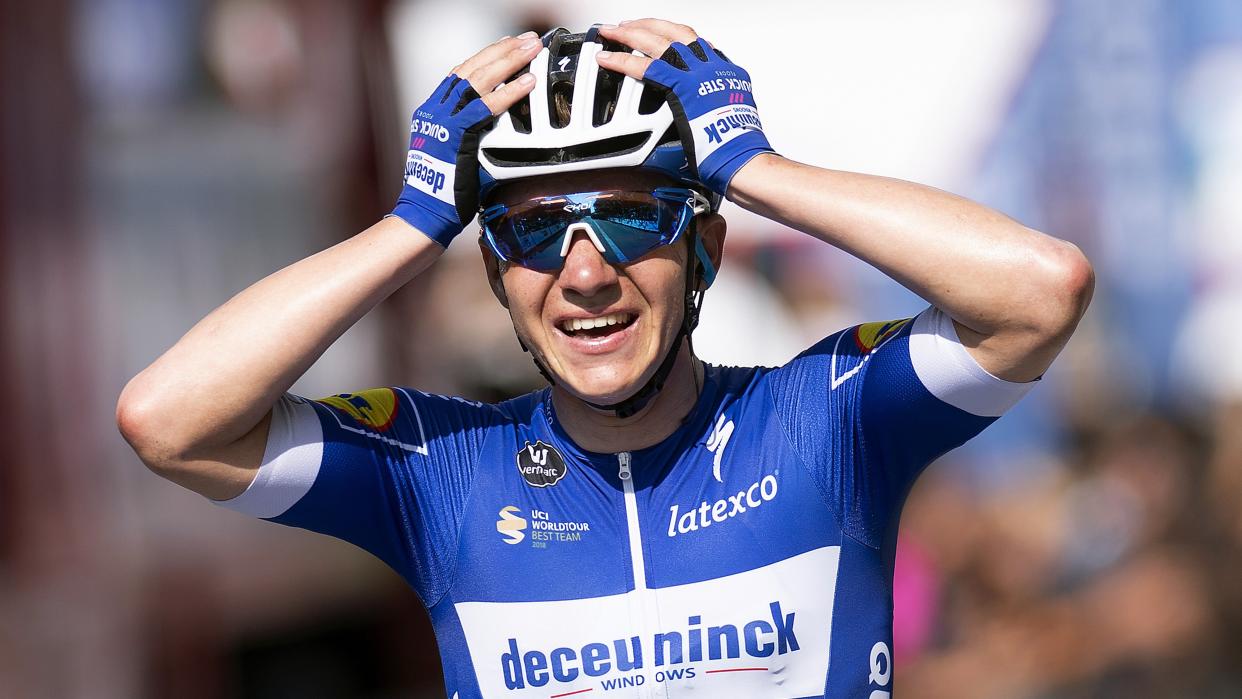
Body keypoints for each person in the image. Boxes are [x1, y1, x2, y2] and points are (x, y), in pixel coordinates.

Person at [117, 19, 1093, 698]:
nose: (584, 273)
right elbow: (170, 420)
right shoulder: (439, 472)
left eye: (630, 221)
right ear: (498, 271)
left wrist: (758, 170)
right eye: (536, 234)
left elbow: (1039, 291)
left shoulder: (825, 418)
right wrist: (413, 223)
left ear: (702, 251)